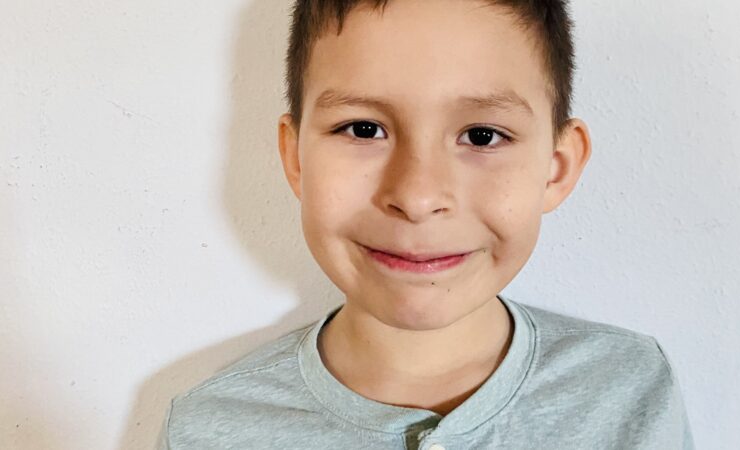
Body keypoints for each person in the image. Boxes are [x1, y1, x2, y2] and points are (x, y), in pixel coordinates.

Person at [158, 0, 694, 448]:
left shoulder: (626, 386)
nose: (416, 197)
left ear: (556, 168)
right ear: (296, 157)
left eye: (482, 136)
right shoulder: (207, 430)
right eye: (363, 129)